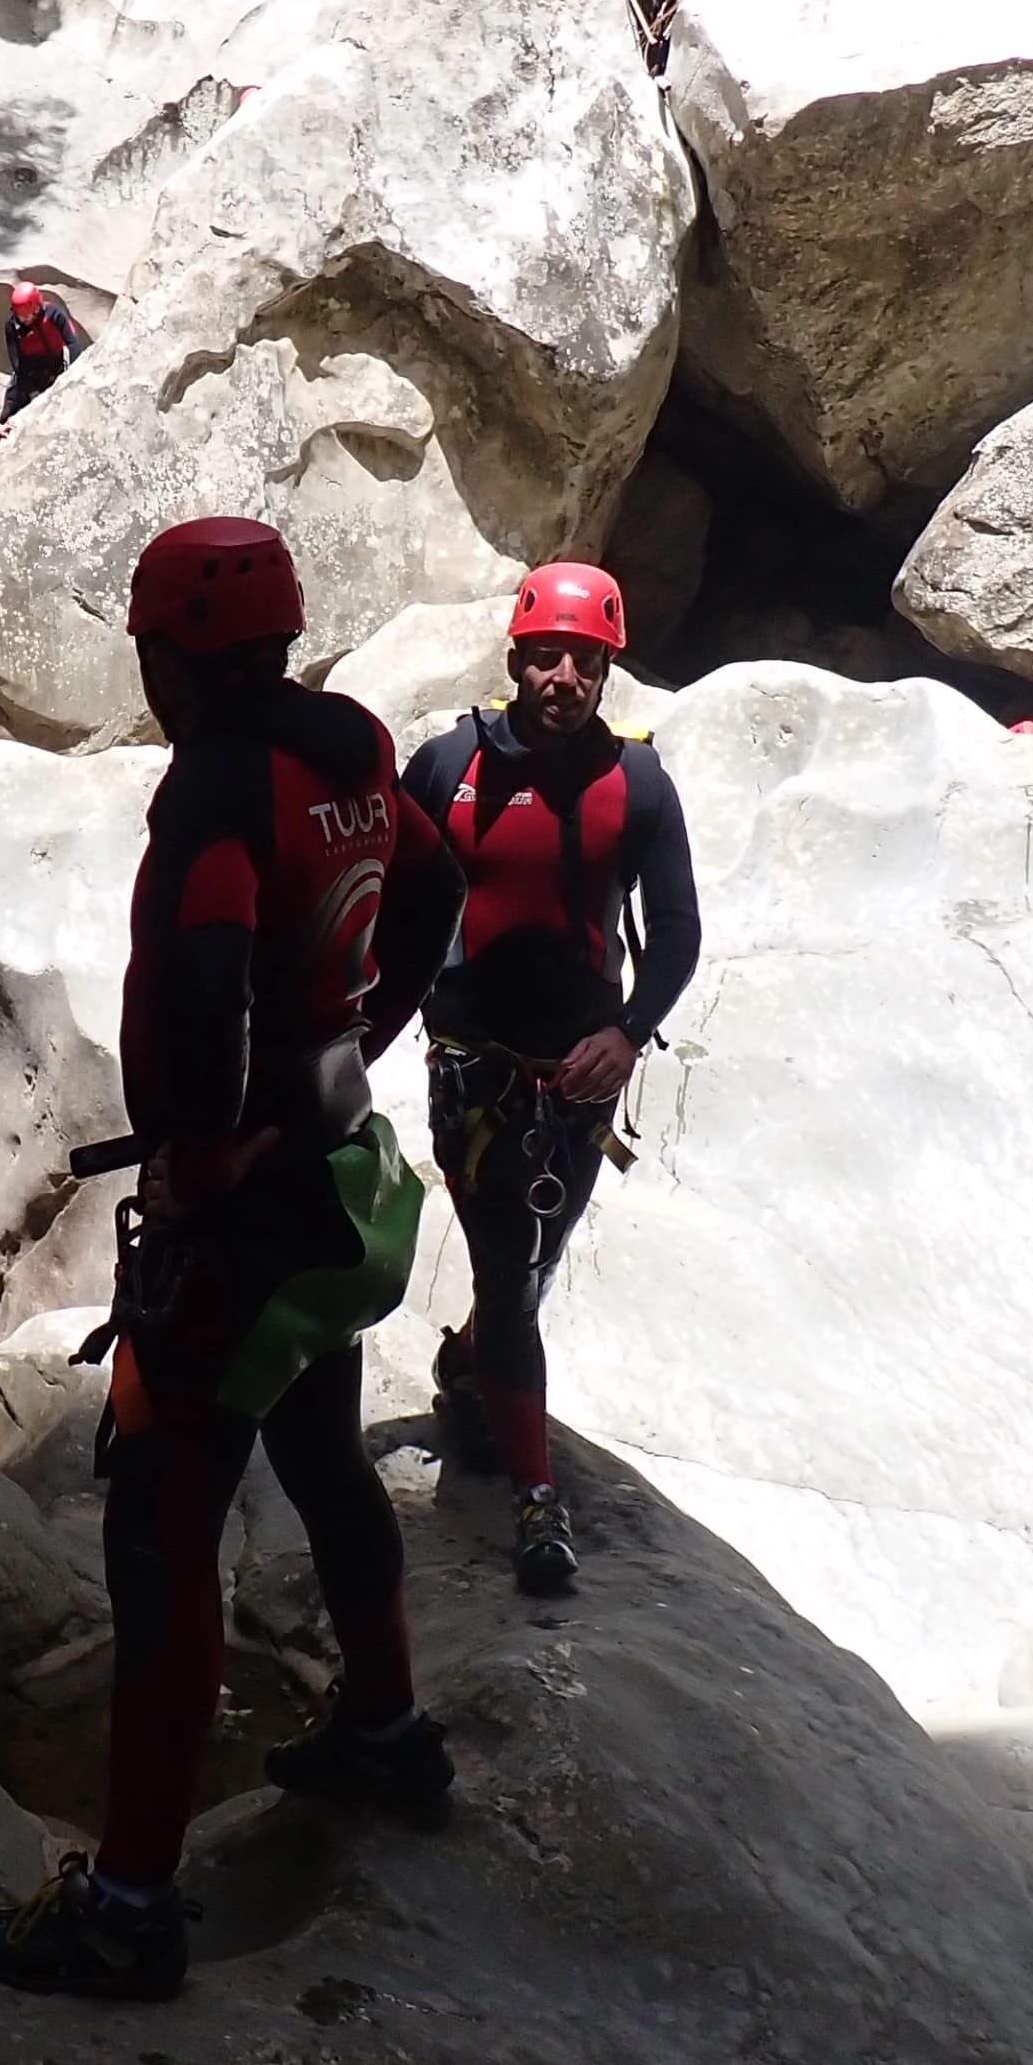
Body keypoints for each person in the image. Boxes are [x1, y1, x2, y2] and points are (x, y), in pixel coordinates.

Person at [0, 517, 466, 2003]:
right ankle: (384, 1731)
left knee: (161, 1540)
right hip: (326, 1167)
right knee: (324, 1457)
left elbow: (206, 970)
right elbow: (425, 889)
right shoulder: (353, 747)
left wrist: (191, 1148)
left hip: (238, 1204)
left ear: (174, 654)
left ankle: (127, 1906)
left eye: (148, 653)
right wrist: (368, 1033)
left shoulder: (217, 787)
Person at [400, 560, 700, 1595]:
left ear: (608, 668)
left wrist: (630, 1031)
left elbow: (676, 934)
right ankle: (534, 1503)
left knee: (535, 1255)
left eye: (584, 658)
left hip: (580, 1070)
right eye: (546, 655)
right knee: (508, 1271)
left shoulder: (640, 786)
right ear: (515, 659)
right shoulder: (447, 768)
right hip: (475, 1070)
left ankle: (472, 1365)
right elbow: (390, 909)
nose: (563, 674)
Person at [0, 281, 88, 422]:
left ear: (36, 309)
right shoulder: (12, 325)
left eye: (26, 316)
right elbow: (16, 360)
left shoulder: (54, 314)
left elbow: (73, 343)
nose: (23, 321)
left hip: (53, 369)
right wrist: (27, 388)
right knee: (6, 416)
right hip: (27, 372)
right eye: (21, 317)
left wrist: (73, 374)